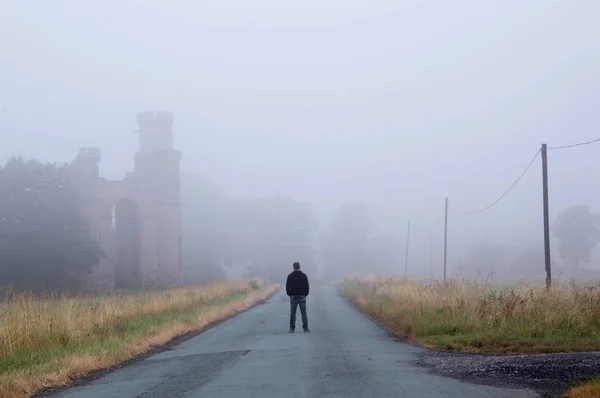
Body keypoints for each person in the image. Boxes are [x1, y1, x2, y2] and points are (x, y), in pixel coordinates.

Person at [286, 262, 310, 333]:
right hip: (302, 296)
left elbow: (287, 287)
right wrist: (305, 294)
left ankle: (292, 328)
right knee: (303, 313)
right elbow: (307, 286)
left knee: (293, 313)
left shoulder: (290, 276)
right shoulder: (304, 276)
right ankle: (305, 328)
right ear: (299, 267)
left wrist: (290, 294)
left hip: (293, 296)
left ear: (293, 267)